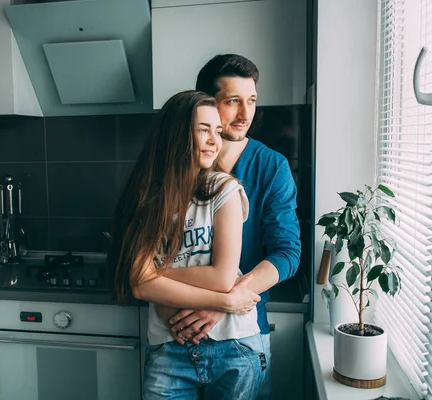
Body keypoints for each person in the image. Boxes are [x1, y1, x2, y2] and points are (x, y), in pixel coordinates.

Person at [157, 54, 302, 399]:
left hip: (243, 336)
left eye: (251, 100)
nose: (245, 113)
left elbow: (288, 253)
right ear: (205, 103)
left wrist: (223, 301)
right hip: (173, 333)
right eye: (233, 101)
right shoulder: (173, 170)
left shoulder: (271, 166)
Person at [108, 90, 267, 399]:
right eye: (203, 130)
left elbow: (221, 277)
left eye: (217, 131)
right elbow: (140, 287)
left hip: (232, 346)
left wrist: (155, 274)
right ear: (176, 135)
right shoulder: (146, 199)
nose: (214, 140)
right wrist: (224, 302)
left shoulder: (225, 189)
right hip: (170, 350)